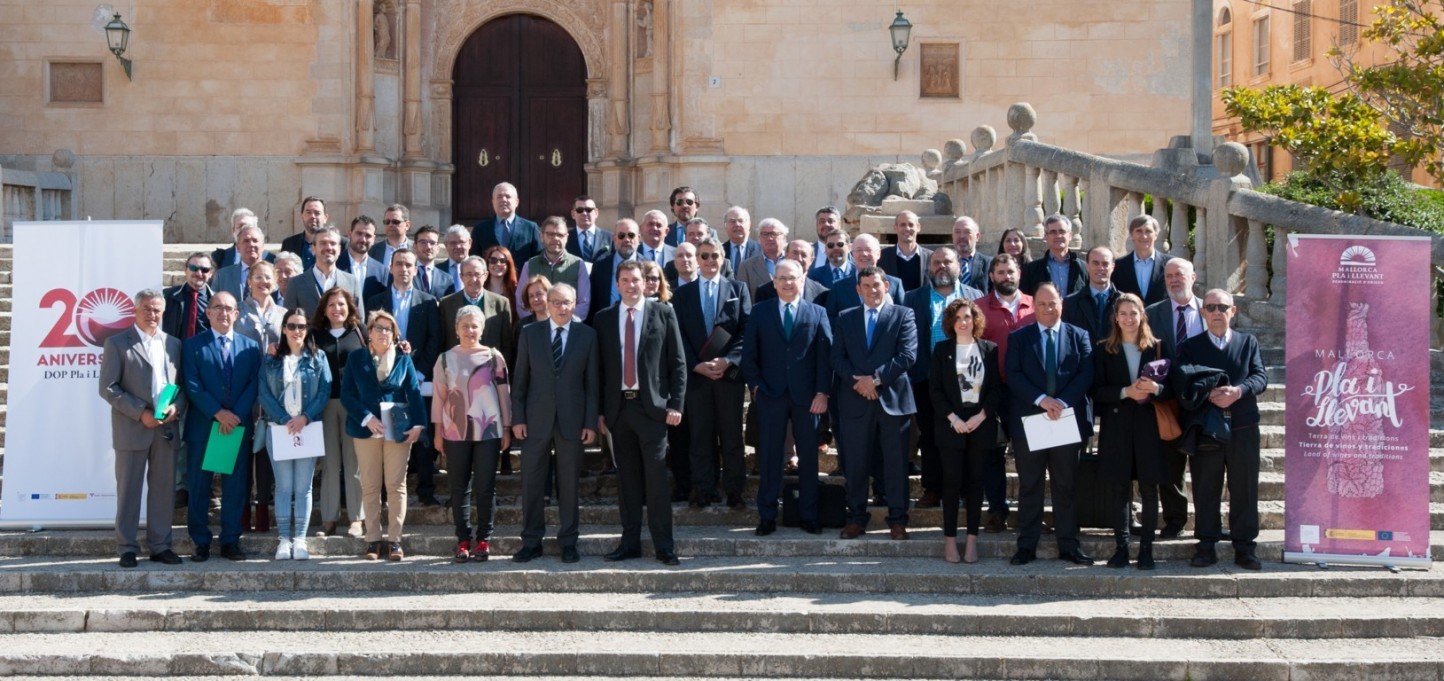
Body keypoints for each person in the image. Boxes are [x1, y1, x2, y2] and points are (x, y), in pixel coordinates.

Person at [595, 261, 688, 566]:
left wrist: (675, 404)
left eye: (636, 280)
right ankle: (630, 542)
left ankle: (664, 546)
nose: (631, 285)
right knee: (628, 482)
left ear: (646, 283)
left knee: (657, 480)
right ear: (617, 284)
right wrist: (599, 413)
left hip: (653, 410)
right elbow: (599, 371)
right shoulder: (604, 318)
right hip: (619, 410)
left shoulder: (664, 312)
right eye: (625, 280)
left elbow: (678, 363)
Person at [1177, 289, 1268, 570]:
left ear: (1233, 311)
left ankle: (1245, 547)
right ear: (1203, 312)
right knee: (1206, 489)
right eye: (1211, 307)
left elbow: (1260, 376)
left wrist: (1238, 391)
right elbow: (1182, 381)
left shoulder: (1248, 342)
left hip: (1243, 427)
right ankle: (1206, 546)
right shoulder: (1189, 345)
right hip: (1207, 428)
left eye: (1222, 307)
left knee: (1245, 488)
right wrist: (1210, 392)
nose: (1217, 312)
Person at [1004, 282, 1094, 566]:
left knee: (1065, 485)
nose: (1047, 309)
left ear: (1061, 304)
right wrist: (1042, 399)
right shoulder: (1020, 337)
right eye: (1041, 304)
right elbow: (1013, 374)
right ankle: (1027, 545)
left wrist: (1062, 402)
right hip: (1032, 419)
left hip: (1065, 419)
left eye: (1052, 303)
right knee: (1029, 485)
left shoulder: (1079, 336)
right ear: (1035, 307)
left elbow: (1086, 373)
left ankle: (1068, 544)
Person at [741, 259, 831, 536]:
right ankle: (767, 514)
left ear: (802, 279)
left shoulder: (817, 312)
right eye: (782, 278)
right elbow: (749, 355)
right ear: (774, 282)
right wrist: (756, 386)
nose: (788, 283)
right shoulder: (760, 312)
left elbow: (825, 356)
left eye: (793, 278)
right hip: (770, 394)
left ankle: (808, 514)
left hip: (808, 398)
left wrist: (822, 392)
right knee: (769, 456)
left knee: (808, 457)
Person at [510, 284, 598, 564]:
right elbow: (520, 380)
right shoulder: (529, 334)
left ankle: (569, 542)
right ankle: (531, 541)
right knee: (532, 482)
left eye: (567, 303)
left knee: (569, 484)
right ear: (546, 304)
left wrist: (590, 422)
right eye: (556, 302)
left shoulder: (588, 335)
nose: (562, 307)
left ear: (576, 304)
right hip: (535, 419)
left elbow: (592, 385)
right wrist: (518, 418)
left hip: (573, 420)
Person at [99, 288, 186, 568]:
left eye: (157, 309)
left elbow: (181, 386)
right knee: (129, 490)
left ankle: (160, 546)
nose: (153, 314)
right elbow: (108, 388)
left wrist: (177, 407)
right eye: (147, 308)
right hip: (132, 428)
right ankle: (126, 547)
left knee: (162, 491)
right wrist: (141, 413)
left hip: (166, 428)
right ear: (135, 311)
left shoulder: (173, 343)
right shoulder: (117, 343)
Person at [831, 266, 918, 540]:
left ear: (886, 287)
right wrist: (859, 382)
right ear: (858, 290)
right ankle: (856, 517)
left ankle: (897, 519)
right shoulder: (846, 318)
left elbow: (907, 355)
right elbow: (837, 357)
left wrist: (876, 380)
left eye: (876, 285)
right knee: (855, 464)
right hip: (855, 400)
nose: (872, 290)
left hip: (892, 401)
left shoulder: (903, 315)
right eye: (866, 286)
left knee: (895, 464)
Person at [181, 291, 262, 562]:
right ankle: (200, 541)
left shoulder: (250, 347)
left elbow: (254, 383)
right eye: (217, 308)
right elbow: (192, 385)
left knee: (235, 486)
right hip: (204, 427)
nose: (223, 313)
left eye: (229, 309)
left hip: (236, 427)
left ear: (237, 314)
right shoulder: (193, 346)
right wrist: (217, 413)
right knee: (199, 486)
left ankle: (230, 540)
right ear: (208, 312)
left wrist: (234, 415)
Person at [340, 310, 428, 561]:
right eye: (378, 328)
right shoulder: (357, 358)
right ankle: (373, 540)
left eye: (388, 329)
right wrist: (367, 418)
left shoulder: (403, 360)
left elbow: (413, 392)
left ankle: (395, 541)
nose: (382, 333)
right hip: (365, 429)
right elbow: (348, 395)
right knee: (369, 485)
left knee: (396, 485)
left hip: (398, 428)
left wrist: (419, 424)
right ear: (369, 332)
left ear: (394, 334)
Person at [902, 245, 985, 509]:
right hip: (926, 378)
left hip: (967, 378)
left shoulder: (975, 296)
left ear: (959, 266)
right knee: (930, 434)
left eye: (947, 261)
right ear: (928, 267)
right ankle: (932, 489)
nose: (941, 266)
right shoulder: (913, 298)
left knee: (966, 434)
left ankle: (965, 489)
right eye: (936, 262)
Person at [1092, 293, 1168, 570]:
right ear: (1115, 318)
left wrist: (1155, 389)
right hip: (1117, 427)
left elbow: (1172, 388)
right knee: (1119, 490)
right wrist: (1125, 391)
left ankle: (1146, 550)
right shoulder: (1103, 349)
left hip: (1149, 427)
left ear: (1142, 316)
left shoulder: (1157, 347)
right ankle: (1122, 548)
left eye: (1133, 313)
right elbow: (1096, 391)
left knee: (1149, 489)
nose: (1128, 318)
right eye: (1123, 313)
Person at [674, 238, 751, 510]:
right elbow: (678, 335)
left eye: (714, 256)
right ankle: (703, 490)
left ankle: (734, 491)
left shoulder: (737, 289)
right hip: (697, 377)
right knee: (700, 437)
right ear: (696, 259)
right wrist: (695, 364)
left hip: (728, 376)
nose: (709, 261)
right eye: (704, 256)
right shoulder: (682, 294)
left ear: (723, 258)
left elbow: (746, 331)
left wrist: (729, 360)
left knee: (731, 437)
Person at [365, 248, 443, 507]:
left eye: (409, 264)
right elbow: (369, 338)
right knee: (388, 433)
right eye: (399, 264)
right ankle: (386, 493)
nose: (404, 269)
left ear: (415, 268)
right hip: (384, 378)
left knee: (421, 433)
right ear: (391, 268)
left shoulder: (428, 301)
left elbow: (435, 340)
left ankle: (425, 489)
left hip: (418, 378)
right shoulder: (376, 301)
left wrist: (418, 373)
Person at [433, 306, 512, 562]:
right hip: (455, 432)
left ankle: (484, 540)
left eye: (474, 325)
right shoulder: (445, 359)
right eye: (465, 326)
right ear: (456, 329)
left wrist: (507, 427)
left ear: (482, 328)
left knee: (486, 487)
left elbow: (504, 395)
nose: (470, 330)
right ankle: (463, 539)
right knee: (458, 488)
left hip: (488, 431)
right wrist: (437, 432)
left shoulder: (493, 357)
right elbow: (439, 398)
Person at [929, 298, 1000, 564]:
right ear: (950, 322)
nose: (963, 322)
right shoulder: (941, 350)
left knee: (975, 482)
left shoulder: (989, 349)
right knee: (951, 483)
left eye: (967, 317)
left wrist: (982, 415)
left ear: (975, 320)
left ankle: (971, 540)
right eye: (958, 318)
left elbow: (995, 390)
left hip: (980, 423)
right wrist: (953, 418)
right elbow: (934, 389)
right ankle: (950, 541)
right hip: (951, 425)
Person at [258, 306, 331, 560]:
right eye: (291, 326)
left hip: (307, 428)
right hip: (278, 429)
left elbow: (325, 390)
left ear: (307, 329)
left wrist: (305, 417)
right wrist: (283, 418)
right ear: (284, 329)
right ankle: (283, 540)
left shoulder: (318, 357)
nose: (296, 331)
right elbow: (263, 393)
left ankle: (299, 539)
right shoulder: (271, 358)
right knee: (283, 486)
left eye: (301, 326)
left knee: (304, 487)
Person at [1145, 257, 1204, 538]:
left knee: (1207, 466)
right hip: (1166, 399)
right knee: (1169, 466)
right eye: (1169, 276)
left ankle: (1207, 522)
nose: (1174, 280)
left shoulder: (1211, 309)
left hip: (1203, 399)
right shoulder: (1152, 313)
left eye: (1179, 275)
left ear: (1193, 277)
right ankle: (1174, 518)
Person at [977, 253, 1034, 533]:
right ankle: (997, 510)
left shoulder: (1036, 306)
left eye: (1010, 271)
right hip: (992, 391)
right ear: (991, 276)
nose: (1006, 277)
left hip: (1028, 393)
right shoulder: (978, 308)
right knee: (992, 454)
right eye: (1000, 272)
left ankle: (1030, 511)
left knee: (1029, 454)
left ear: (1019, 274)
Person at [311, 287, 367, 538]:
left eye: (341, 304)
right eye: (332, 305)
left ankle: (357, 518)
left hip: (353, 404)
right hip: (325, 404)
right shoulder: (314, 335)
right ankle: (329, 518)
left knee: (354, 463)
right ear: (324, 309)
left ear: (350, 307)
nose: (337, 309)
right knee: (330, 463)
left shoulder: (359, 331)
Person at [236, 261, 287, 533]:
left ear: (276, 281)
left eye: (268, 277)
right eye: (257, 277)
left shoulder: (284, 313)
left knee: (267, 451)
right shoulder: (237, 312)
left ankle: (263, 508)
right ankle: (242, 508)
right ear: (249, 281)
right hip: (241, 390)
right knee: (241, 450)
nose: (262, 282)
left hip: (273, 392)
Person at [516, 216, 592, 321]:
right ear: (541, 236)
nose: (555, 238)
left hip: (568, 328)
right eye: (550, 234)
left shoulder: (578, 264)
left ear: (567, 237)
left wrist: (566, 323)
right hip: (537, 328)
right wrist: (536, 323)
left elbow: (584, 302)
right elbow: (521, 301)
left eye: (560, 235)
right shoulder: (529, 265)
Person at [439, 255, 514, 358]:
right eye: (469, 274)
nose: (473, 279)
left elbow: (507, 344)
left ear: (486, 276)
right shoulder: (446, 304)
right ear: (461, 277)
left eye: (477, 274)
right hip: (456, 367)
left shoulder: (501, 304)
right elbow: (442, 342)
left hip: (490, 368)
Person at [288, 225, 367, 322]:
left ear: (339, 249)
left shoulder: (352, 282)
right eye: (323, 243)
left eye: (333, 243)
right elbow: (290, 323)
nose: (328, 247)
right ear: (313, 248)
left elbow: (359, 320)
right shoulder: (296, 284)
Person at [824, 234, 904, 321]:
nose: (864, 254)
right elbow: (830, 319)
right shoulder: (838, 287)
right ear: (852, 254)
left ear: (878, 254)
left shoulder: (895, 284)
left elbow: (903, 316)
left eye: (868, 250)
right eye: (859, 250)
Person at [470, 182, 541, 265]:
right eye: (499, 197)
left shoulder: (530, 228)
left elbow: (538, 258)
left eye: (508, 196)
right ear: (493, 202)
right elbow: (474, 259)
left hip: (521, 277)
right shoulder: (480, 230)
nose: (503, 200)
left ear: (516, 202)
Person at [1111, 214, 1173, 307]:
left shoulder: (1171, 264)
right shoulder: (1119, 266)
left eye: (1148, 231)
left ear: (1156, 235)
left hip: (1161, 319)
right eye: (1139, 231)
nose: (1144, 236)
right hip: (1129, 320)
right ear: (1131, 235)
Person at [1062, 246, 1120, 344]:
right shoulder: (1070, 303)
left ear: (1113, 267)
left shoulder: (1123, 302)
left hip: (1116, 357)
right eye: (1095, 263)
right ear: (1087, 266)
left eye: (1105, 264)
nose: (1100, 268)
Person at [1020, 214, 1086, 297]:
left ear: (1070, 235)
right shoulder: (1031, 270)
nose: (1058, 236)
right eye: (1053, 232)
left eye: (1062, 231)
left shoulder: (1083, 268)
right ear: (1046, 237)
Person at [211, 223, 271, 302]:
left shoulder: (274, 273)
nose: (251, 244)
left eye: (255, 241)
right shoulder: (222, 276)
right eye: (246, 241)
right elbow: (213, 304)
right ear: (238, 247)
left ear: (263, 245)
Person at [162, 252, 214, 342]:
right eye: (194, 268)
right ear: (185, 270)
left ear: (210, 274)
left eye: (204, 270)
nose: (199, 273)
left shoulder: (217, 302)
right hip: (174, 353)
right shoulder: (166, 296)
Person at [756, 239, 826, 303]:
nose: (799, 259)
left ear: (811, 260)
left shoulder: (821, 293)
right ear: (786, 256)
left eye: (804, 255)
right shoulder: (764, 291)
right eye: (795, 253)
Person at [878, 211, 933, 292]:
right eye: (902, 225)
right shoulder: (883, 257)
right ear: (895, 228)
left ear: (918, 227)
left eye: (911, 225)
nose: (907, 228)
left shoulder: (931, 257)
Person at [735, 217, 788, 301]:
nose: (769, 238)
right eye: (764, 234)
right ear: (759, 238)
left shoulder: (793, 263)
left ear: (784, 237)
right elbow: (743, 300)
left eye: (774, 234)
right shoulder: (747, 267)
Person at [338, 216, 389, 295]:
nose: (363, 239)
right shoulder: (335, 265)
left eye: (368, 235)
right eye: (359, 233)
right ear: (350, 234)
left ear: (374, 239)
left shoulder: (381, 271)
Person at [280, 196, 331, 270]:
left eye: (317, 213)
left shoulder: (341, 244)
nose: (312, 216)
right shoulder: (289, 244)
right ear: (302, 216)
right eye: (308, 212)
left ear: (325, 218)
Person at [411, 225, 455, 299]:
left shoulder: (447, 279)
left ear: (438, 248)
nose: (428, 247)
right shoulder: (404, 273)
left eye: (432, 243)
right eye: (423, 242)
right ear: (415, 246)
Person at [567, 195, 612, 263]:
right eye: (580, 210)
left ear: (596, 213)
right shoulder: (566, 237)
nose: (584, 213)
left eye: (588, 210)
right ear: (573, 214)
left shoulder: (610, 238)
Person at [952, 216, 991, 293]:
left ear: (977, 236)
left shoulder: (990, 263)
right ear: (952, 236)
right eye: (957, 232)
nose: (962, 236)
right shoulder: (944, 263)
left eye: (967, 232)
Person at [370, 203, 414, 268]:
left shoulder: (417, 249)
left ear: (407, 225)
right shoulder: (373, 250)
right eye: (387, 222)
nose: (390, 225)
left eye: (395, 222)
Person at [483, 246, 520, 320]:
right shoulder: (480, 289)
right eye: (493, 260)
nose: (498, 264)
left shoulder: (516, 290)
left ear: (508, 264)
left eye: (503, 261)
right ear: (487, 264)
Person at [721, 206, 760, 272]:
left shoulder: (760, 250)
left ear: (749, 224)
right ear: (725, 225)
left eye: (740, 221)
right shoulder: (720, 251)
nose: (737, 224)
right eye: (732, 221)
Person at [438, 225, 475, 294]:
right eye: (453, 243)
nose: (458, 246)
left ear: (469, 243)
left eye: (461, 242)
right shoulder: (437, 270)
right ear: (446, 245)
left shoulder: (480, 269)